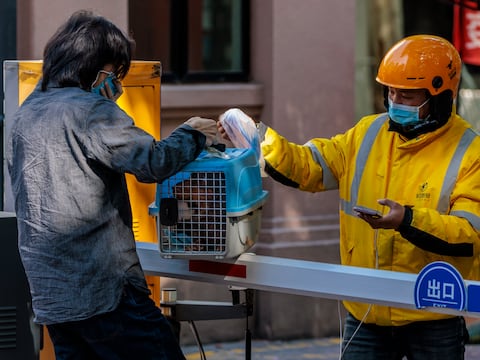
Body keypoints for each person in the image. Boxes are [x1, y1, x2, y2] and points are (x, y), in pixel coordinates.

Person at [218, 35, 480, 359]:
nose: (395, 101)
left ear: (440, 97)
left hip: (432, 315)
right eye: (391, 92)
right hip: (365, 310)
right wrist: (257, 138)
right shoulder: (367, 132)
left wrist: (407, 220)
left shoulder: (471, 152)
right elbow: (308, 165)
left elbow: (469, 234)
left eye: (408, 95)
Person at [7, 10, 218, 360]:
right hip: (106, 294)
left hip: (53, 299)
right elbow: (153, 162)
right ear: (92, 66)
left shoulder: (26, 114)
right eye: (114, 72)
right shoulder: (90, 111)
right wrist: (193, 132)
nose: (118, 84)